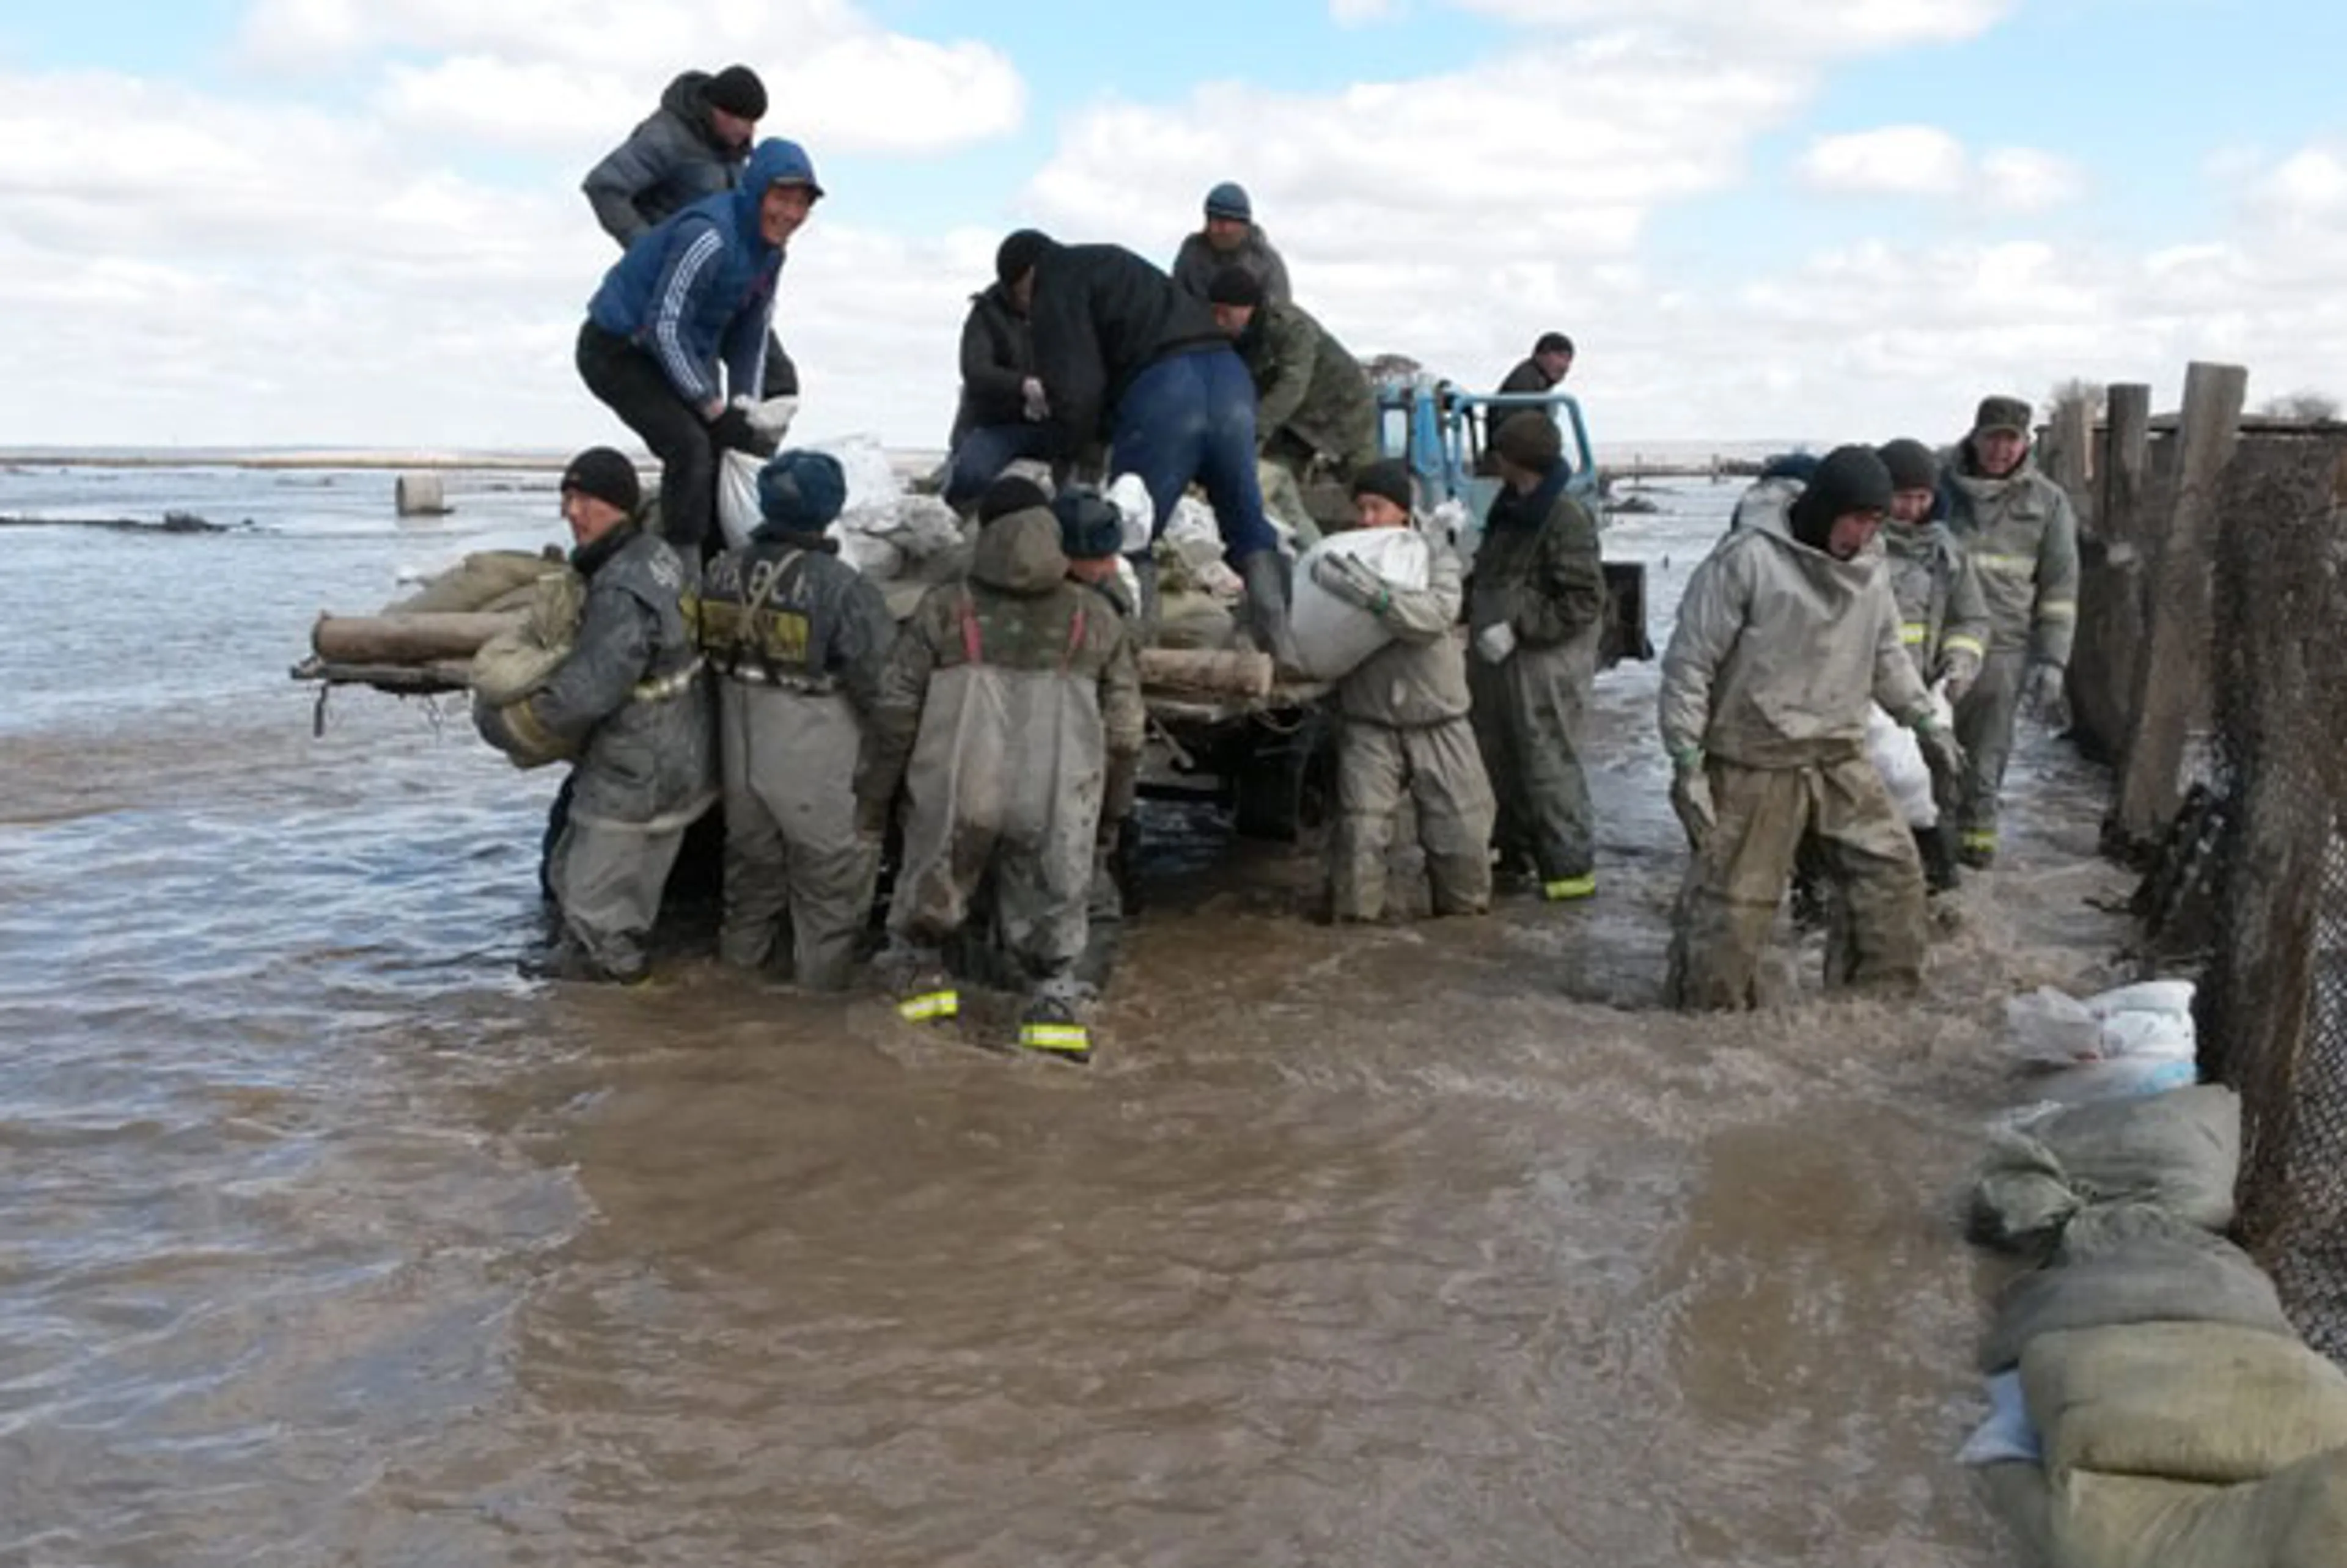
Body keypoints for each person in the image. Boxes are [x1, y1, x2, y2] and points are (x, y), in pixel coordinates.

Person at [1658, 445, 1964, 1010]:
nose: (1865, 533)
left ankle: (1875, 1011)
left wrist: (1923, 720)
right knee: (1735, 905)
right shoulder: (1746, 560)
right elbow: (1690, 664)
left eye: (1876, 521)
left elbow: (1887, 653)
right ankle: (1704, 1022)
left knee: (1892, 876)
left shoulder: (1870, 569)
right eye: (1857, 519)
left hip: (1838, 751)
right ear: (1824, 508)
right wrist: (1685, 761)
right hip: (1755, 756)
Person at [854, 484, 1145, 1061]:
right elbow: (1126, 734)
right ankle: (1050, 1036)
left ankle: (921, 1055)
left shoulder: (943, 608)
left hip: (955, 793)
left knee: (921, 943)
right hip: (1057, 799)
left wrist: (874, 804)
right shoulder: (1095, 618)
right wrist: (1110, 817)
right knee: (1055, 948)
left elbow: (893, 717)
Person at [993, 228, 1291, 659]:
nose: (1027, 312)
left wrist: (1069, 451)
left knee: (1132, 526)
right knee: (1247, 524)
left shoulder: (1054, 282)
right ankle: (1280, 643)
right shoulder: (1112, 262)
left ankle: (1134, 650)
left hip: (1170, 391)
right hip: (1230, 382)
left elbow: (1077, 387)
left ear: (1022, 279)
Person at [478, 449, 715, 983]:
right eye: (566, 497)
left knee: (597, 910)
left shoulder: (621, 588)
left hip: (636, 769)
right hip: (682, 755)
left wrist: (512, 722)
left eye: (586, 499)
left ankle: (615, 1034)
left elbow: (588, 692)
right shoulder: (661, 556)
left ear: (621, 505)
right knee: (586, 877)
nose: (572, 511)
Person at [698, 449, 897, 989]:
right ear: (829, 509)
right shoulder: (843, 588)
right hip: (816, 768)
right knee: (829, 903)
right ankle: (814, 1025)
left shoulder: (717, 573)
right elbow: (884, 691)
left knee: (750, 891)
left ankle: (730, 1000)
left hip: (742, 761)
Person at [576, 138, 821, 560]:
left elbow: (751, 332)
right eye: (781, 199)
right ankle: (683, 573)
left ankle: (716, 559)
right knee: (690, 446)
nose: (790, 215)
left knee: (726, 448)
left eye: (801, 205)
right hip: (617, 348)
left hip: (670, 351)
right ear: (757, 189)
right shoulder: (710, 235)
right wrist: (713, 408)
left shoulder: (770, 255)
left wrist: (744, 407)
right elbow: (664, 327)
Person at [1312, 460, 1496, 923]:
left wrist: (1376, 597)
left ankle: (1461, 936)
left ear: (1403, 509)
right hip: (1368, 717)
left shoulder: (1434, 553)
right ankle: (1354, 939)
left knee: (1463, 834)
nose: (1367, 520)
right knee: (1360, 838)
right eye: (1361, 509)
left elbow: (1436, 615)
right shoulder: (1340, 554)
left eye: (1377, 507)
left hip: (1438, 713)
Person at [581, 65, 799, 399]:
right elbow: (605, 187)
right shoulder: (666, 137)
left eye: (754, 121)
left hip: (729, 278)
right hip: (683, 282)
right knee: (699, 391)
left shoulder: (735, 149)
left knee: (776, 381)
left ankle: (749, 450)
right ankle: (717, 450)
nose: (748, 130)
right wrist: (650, 250)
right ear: (716, 110)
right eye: (740, 119)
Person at [1465, 413, 1608, 903]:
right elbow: (1489, 573)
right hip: (1496, 662)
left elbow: (1585, 599)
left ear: (1514, 458)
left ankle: (1569, 879)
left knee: (1547, 764)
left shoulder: (1564, 516)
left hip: (1542, 663)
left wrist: (1521, 627)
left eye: (1500, 455)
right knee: (1499, 762)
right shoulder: (1510, 507)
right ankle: (1512, 862)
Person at [1941, 395, 2081, 868]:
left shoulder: (2048, 502)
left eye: (2012, 439)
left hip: (2005, 648)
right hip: (1936, 646)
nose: (2001, 449)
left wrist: (2052, 660)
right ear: (1975, 436)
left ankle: (1976, 861)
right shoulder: (1939, 489)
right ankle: (1929, 857)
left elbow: (2060, 588)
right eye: (1992, 438)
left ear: (2026, 443)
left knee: (1985, 761)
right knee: (1927, 757)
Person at [1876, 437, 1991, 892]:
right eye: (1902, 497)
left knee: (1936, 785)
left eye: (1921, 497)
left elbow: (1972, 618)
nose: (1912, 508)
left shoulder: (1946, 550)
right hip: (1865, 697)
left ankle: (1936, 890)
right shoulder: (1861, 547)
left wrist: (1960, 661)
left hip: (1926, 691)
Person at [1206, 267, 1379, 487]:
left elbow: (1292, 386)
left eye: (1225, 313)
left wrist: (1251, 428)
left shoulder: (1291, 327)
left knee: (1368, 487)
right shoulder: (1233, 341)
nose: (1219, 322)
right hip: (1295, 425)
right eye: (1214, 313)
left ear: (1247, 308)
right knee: (1270, 478)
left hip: (1346, 412)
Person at [942, 269, 1048, 510]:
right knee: (971, 476)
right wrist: (1022, 385)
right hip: (992, 424)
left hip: (1048, 422)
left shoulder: (1062, 312)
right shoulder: (987, 314)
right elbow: (976, 370)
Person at [1170, 181, 1292, 307]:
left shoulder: (1267, 262)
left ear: (1244, 224)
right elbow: (1175, 301)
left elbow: (1279, 315)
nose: (1220, 230)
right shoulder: (1192, 252)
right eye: (1214, 220)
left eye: (1227, 221)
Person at [1485, 331, 1574, 452]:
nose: (1565, 366)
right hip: (1511, 461)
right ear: (1541, 355)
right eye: (1560, 356)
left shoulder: (1537, 383)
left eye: (1569, 360)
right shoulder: (1525, 385)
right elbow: (1520, 435)